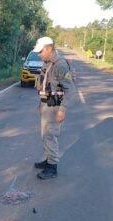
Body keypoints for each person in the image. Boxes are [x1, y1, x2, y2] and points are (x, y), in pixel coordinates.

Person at [32, 36, 74, 179]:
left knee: (51, 136)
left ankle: (52, 167)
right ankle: (47, 160)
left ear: (49, 48)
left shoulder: (60, 64)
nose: (39, 54)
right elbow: (45, 85)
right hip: (46, 104)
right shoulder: (47, 62)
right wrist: (40, 103)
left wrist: (62, 109)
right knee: (45, 135)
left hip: (55, 106)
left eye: (41, 51)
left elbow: (70, 89)